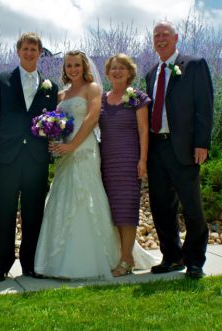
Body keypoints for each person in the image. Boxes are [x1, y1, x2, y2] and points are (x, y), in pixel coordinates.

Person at [34, 51, 158, 279]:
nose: (73, 69)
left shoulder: (93, 89)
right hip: (65, 154)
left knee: (88, 196)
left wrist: (72, 147)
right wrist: (54, 139)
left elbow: (91, 119)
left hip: (85, 150)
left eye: (77, 65)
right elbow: (58, 123)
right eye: (69, 65)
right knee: (62, 197)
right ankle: (56, 260)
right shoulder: (60, 95)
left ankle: (109, 258)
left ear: (84, 67)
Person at [0, 32, 59, 282]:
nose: (29, 53)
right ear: (18, 51)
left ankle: (31, 263)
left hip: (36, 158)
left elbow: (53, 122)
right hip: (7, 156)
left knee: (33, 212)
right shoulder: (1, 80)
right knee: (3, 211)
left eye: (34, 49)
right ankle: (0, 266)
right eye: (25, 49)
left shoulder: (50, 86)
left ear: (40, 53)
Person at [146, 21, 213, 279]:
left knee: (192, 206)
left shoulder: (194, 65)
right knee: (161, 206)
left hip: (184, 148)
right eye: (156, 36)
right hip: (156, 148)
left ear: (176, 38)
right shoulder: (151, 72)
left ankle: (195, 260)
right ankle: (172, 257)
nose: (160, 39)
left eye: (165, 35)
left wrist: (202, 143)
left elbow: (204, 106)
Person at [99, 53, 150, 276]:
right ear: (108, 73)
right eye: (113, 68)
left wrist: (143, 160)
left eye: (122, 68)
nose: (117, 71)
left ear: (130, 72)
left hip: (129, 160)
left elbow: (143, 130)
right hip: (106, 161)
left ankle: (127, 259)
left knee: (127, 209)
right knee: (111, 210)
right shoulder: (100, 99)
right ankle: (118, 255)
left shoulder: (137, 97)